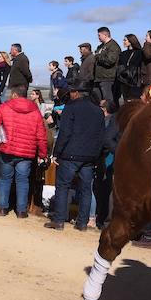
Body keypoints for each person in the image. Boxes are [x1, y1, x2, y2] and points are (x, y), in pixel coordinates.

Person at [46, 81, 104, 231]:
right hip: (90, 156)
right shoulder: (98, 110)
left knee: (63, 186)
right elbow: (101, 136)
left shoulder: (71, 108)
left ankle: (59, 220)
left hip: (70, 154)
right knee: (85, 190)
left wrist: (56, 153)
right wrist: (96, 155)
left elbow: (65, 133)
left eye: (71, 91)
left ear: (76, 93)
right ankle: (82, 223)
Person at [0, 85, 47, 218]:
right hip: (26, 152)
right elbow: (41, 135)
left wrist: (0, 132)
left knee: (4, 179)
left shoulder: (5, 107)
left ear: (14, 95)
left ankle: (3, 208)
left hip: (7, 149)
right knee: (22, 180)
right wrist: (43, 154)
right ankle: (21, 211)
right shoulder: (35, 110)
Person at [93, 99, 120, 230]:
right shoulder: (112, 119)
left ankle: (103, 218)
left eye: (100, 106)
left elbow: (105, 139)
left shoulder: (108, 121)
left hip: (107, 157)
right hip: (107, 157)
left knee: (104, 189)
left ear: (104, 109)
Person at [93, 27, 122, 102]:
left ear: (105, 35)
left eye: (99, 35)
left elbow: (110, 60)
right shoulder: (100, 46)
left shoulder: (113, 46)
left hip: (107, 78)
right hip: (98, 78)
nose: (98, 37)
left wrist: (97, 56)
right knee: (97, 100)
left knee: (108, 101)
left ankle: (110, 113)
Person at [116, 33, 143, 102]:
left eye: (125, 40)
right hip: (123, 80)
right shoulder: (123, 53)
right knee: (125, 99)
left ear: (131, 41)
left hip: (134, 80)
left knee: (134, 100)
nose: (123, 42)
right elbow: (119, 65)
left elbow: (138, 65)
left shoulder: (139, 52)